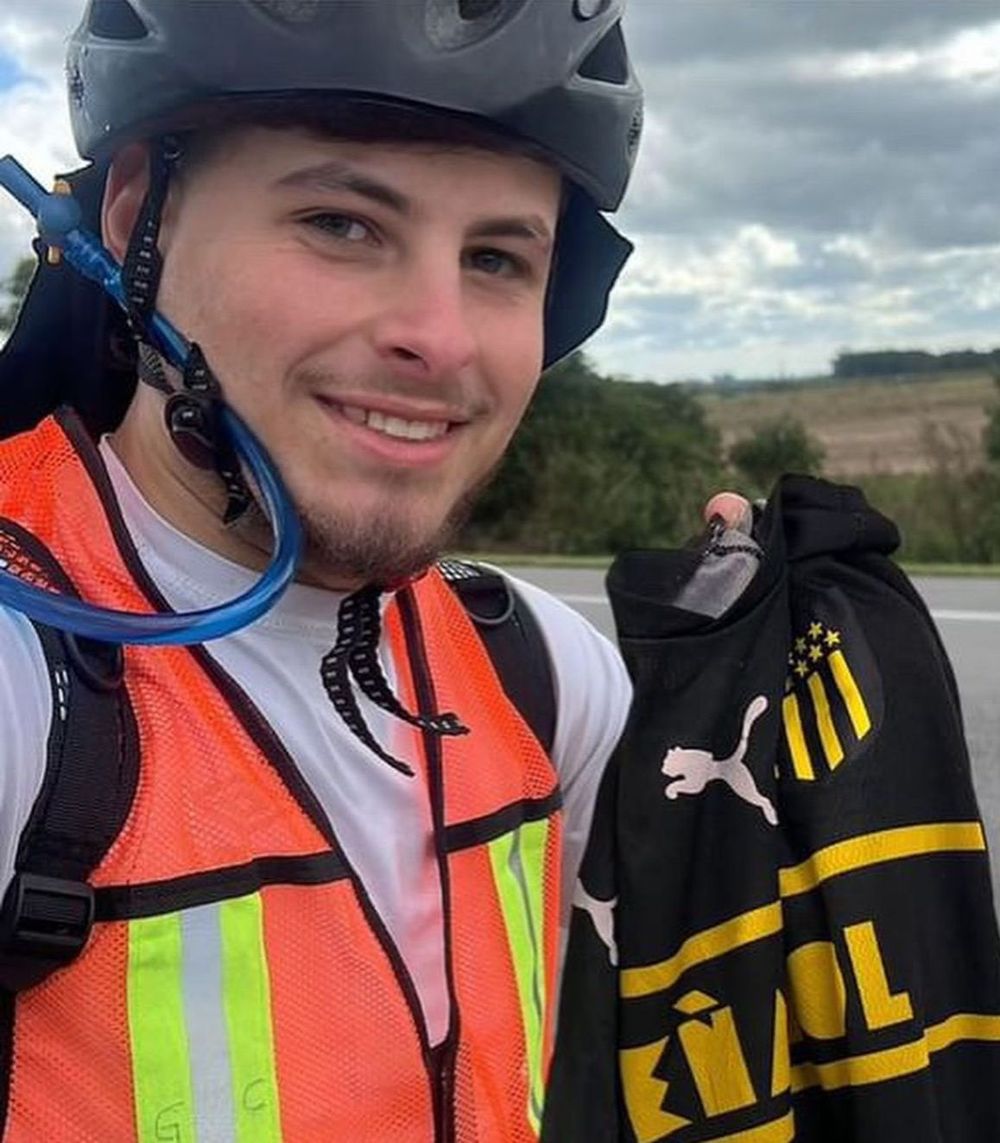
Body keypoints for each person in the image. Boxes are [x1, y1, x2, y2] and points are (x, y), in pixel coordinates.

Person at [0, 0, 692, 1138]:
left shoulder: (540, 674)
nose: (442, 335)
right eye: (340, 223)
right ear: (134, 222)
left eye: (495, 257)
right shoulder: (32, 680)